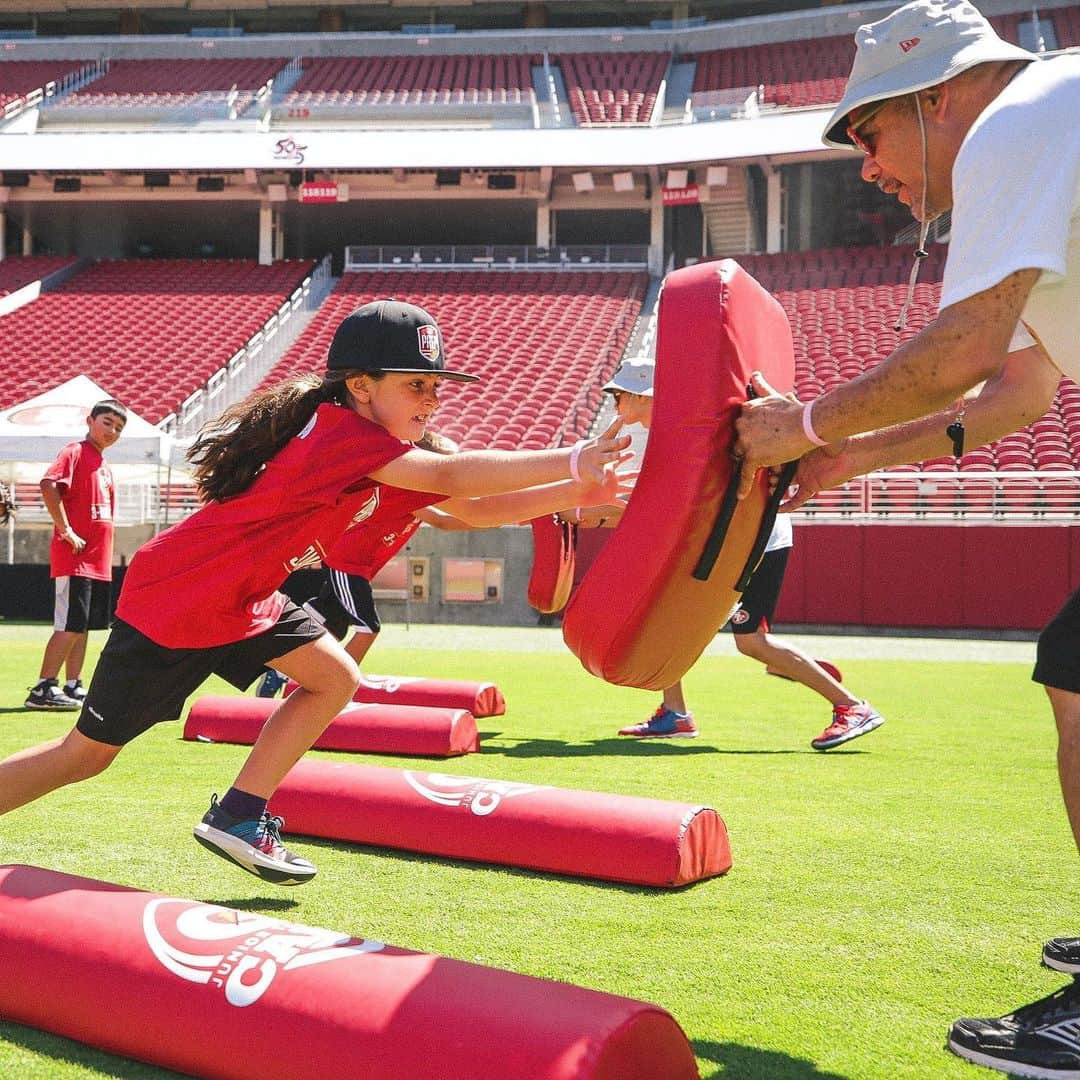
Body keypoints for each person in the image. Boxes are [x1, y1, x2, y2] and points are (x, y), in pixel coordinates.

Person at [730, 1, 1079, 1072]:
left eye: (867, 134)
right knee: (1073, 674)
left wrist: (806, 425)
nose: (865, 168)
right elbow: (1022, 391)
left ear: (937, 94)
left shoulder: (1021, 118)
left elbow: (965, 349)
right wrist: (854, 456)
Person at [0, 298, 631, 888]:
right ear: (359, 387)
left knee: (334, 677)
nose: (432, 400)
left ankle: (239, 813)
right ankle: (236, 813)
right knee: (83, 756)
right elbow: (451, 475)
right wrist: (573, 461)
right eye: (416, 384)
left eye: (436, 387)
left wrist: (578, 494)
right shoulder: (340, 435)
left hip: (243, 598)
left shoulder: (381, 453)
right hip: (180, 601)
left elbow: (467, 509)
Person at [587, 357, 884, 749]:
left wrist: (601, 507)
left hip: (756, 538)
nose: (615, 406)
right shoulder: (673, 429)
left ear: (644, 394)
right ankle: (675, 713)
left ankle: (851, 707)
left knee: (751, 641)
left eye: (620, 396)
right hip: (738, 538)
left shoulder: (685, 430)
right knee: (666, 618)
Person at [25, 399, 127, 712]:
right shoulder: (75, 451)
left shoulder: (103, 464)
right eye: (107, 422)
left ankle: (73, 684)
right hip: (76, 558)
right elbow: (48, 484)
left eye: (118, 428)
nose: (112, 431)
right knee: (69, 625)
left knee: (81, 627)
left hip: (97, 563)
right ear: (90, 420)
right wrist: (66, 529)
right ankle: (43, 687)